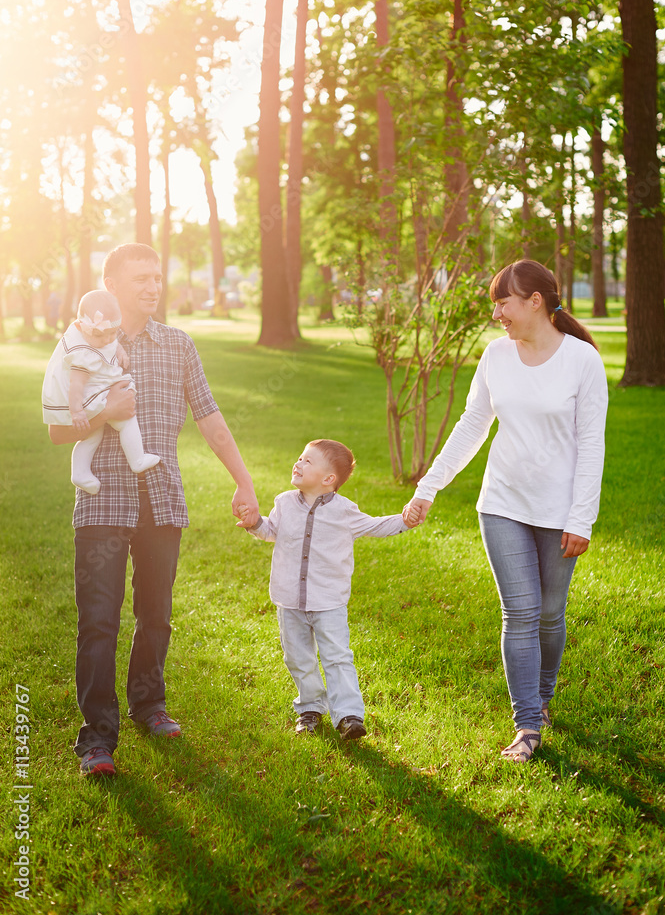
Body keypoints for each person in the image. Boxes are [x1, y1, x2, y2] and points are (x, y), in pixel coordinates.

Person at [47, 243, 259, 777]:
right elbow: (56, 429)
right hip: (102, 505)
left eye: (157, 276)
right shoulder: (78, 345)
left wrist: (244, 482)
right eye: (140, 277)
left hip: (162, 502)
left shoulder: (178, 345)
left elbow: (210, 418)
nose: (151, 286)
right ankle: (97, 736)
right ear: (110, 287)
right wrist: (104, 414)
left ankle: (149, 705)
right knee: (98, 622)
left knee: (156, 616)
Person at [403, 260, 608, 763]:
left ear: (535, 300)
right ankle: (528, 724)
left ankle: (544, 694)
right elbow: (472, 425)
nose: (497, 313)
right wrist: (428, 487)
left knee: (549, 614)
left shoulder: (582, 360)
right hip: (503, 503)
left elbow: (591, 444)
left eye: (504, 302)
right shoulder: (496, 356)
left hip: (559, 511)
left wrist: (581, 519)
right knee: (519, 612)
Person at [238, 439, 416, 741]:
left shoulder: (344, 512)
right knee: (297, 657)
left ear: (328, 479)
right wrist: (256, 523)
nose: (298, 463)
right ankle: (310, 707)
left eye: (308, 461)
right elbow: (272, 532)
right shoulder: (283, 503)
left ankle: (349, 715)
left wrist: (405, 520)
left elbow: (374, 526)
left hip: (328, 601)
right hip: (289, 598)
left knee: (337, 656)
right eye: (299, 458)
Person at [42, 289, 160, 494]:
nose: (107, 339)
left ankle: (79, 473)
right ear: (80, 327)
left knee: (91, 436)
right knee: (127, 422)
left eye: (113, 333)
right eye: (101, 334)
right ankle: (137, 459)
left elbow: (111, 343)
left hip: (94, 398)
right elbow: (76, 386)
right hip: (90, 400)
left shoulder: (99, 338)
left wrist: (120, 350)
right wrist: (77, 412)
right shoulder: (81, 353)